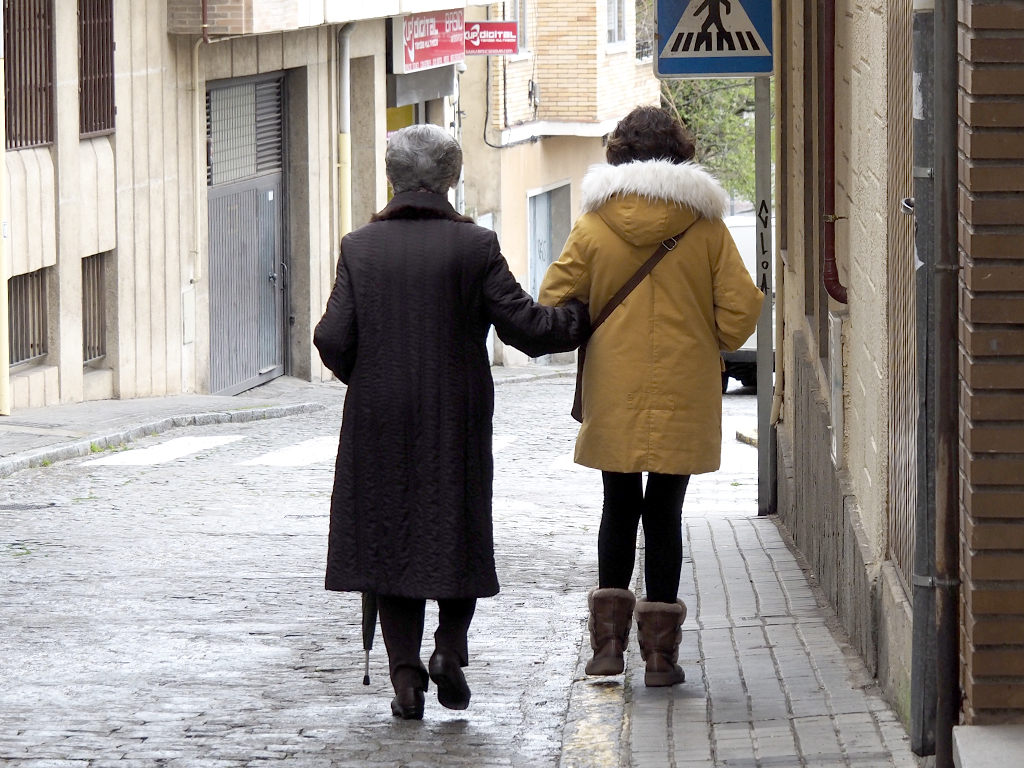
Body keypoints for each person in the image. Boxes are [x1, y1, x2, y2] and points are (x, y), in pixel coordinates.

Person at [313, 124, 590, 720]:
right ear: (452, 177)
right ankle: (449, 648)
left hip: (378, 420)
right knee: (454, 531)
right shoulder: (474, 248)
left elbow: (332, 337)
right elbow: (529, 330)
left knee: (390, 540)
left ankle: (406, 677)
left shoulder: (360, 247)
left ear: (391, 178)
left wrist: (370, 379)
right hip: (453, 416)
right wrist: (583, 313)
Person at [538, 106, 763, 687]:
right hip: (687, 384)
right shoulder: (706, 227)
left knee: (618, 505)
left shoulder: (592, 225)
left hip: (615, 382)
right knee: (666, 511)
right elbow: (740, 315)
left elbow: (554, 297)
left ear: (618, 156)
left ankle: (608, 650)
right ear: (680, 153)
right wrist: (700, 329)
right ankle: (661, 658)